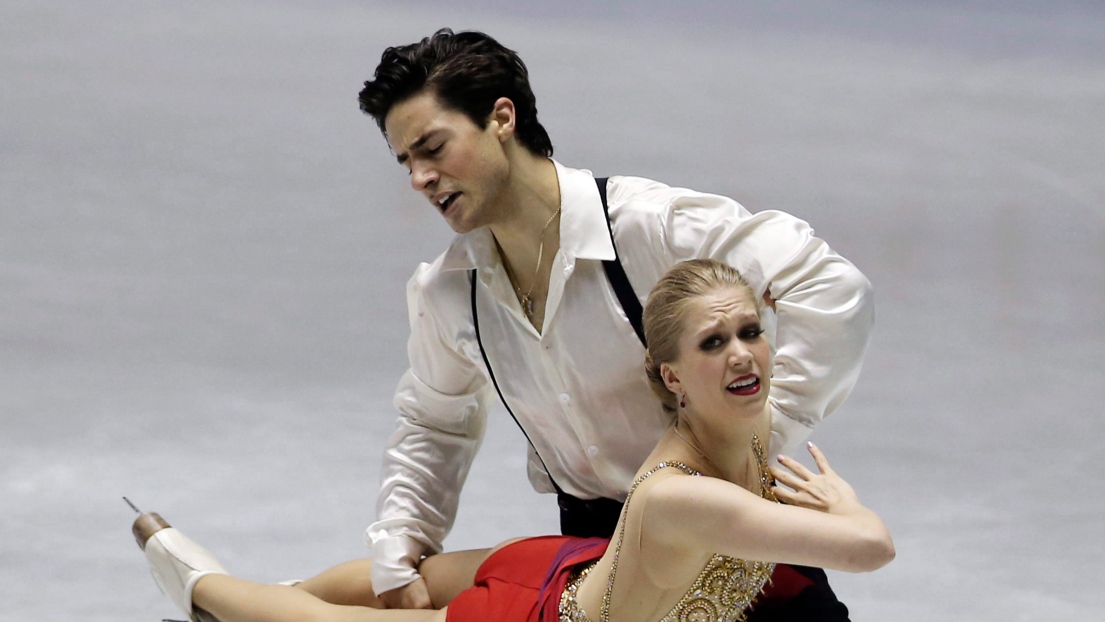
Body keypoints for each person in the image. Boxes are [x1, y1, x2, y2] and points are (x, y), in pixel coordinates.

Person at [355, 28, 875, 613]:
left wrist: (759, 434)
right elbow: (436, 423)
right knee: (326, 597)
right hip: (595, 563)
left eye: (433, 148)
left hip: (733, 551)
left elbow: (830, 286)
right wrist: (399, 548)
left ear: (501, 118)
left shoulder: (646, 227)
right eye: (407, 162)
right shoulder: (451, 290)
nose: (420, 178)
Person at [132, 259, 894, 622]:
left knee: (417, 575)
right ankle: (203, 587)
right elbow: (869, 550)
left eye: (750, 332)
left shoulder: (742, 410)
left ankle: (288, 589)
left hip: (581, 566)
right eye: (712, 343)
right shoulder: (683, 497)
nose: (740, 355)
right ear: (669, 376)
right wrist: (843, 504)